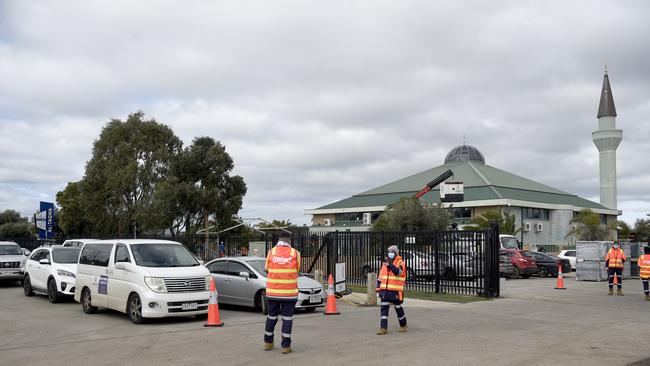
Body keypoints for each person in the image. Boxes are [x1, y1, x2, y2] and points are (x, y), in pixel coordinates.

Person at [263, 233, 300, 354]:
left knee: (271, 317)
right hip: (289, 293)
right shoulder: (295, 253)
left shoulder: (271, 252)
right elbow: (297, 270)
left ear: (278, 240)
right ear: (289, 240)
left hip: (273, 293)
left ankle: (268, 343)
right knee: (287, 319)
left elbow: (266, 269)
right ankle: (285, 346)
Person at [375, 245, 407, 335]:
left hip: (395, 291)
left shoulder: (401, 263)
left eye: (392, 252)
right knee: (384, 309)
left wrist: (390, 265)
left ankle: (403, 325)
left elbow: (399, 273)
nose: (390, 253)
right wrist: (378, 289)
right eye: (389, 252)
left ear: (396, 253)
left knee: (398, 308)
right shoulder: (385, 264)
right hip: (385, 291)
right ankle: (383, 328)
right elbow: (380, 277)